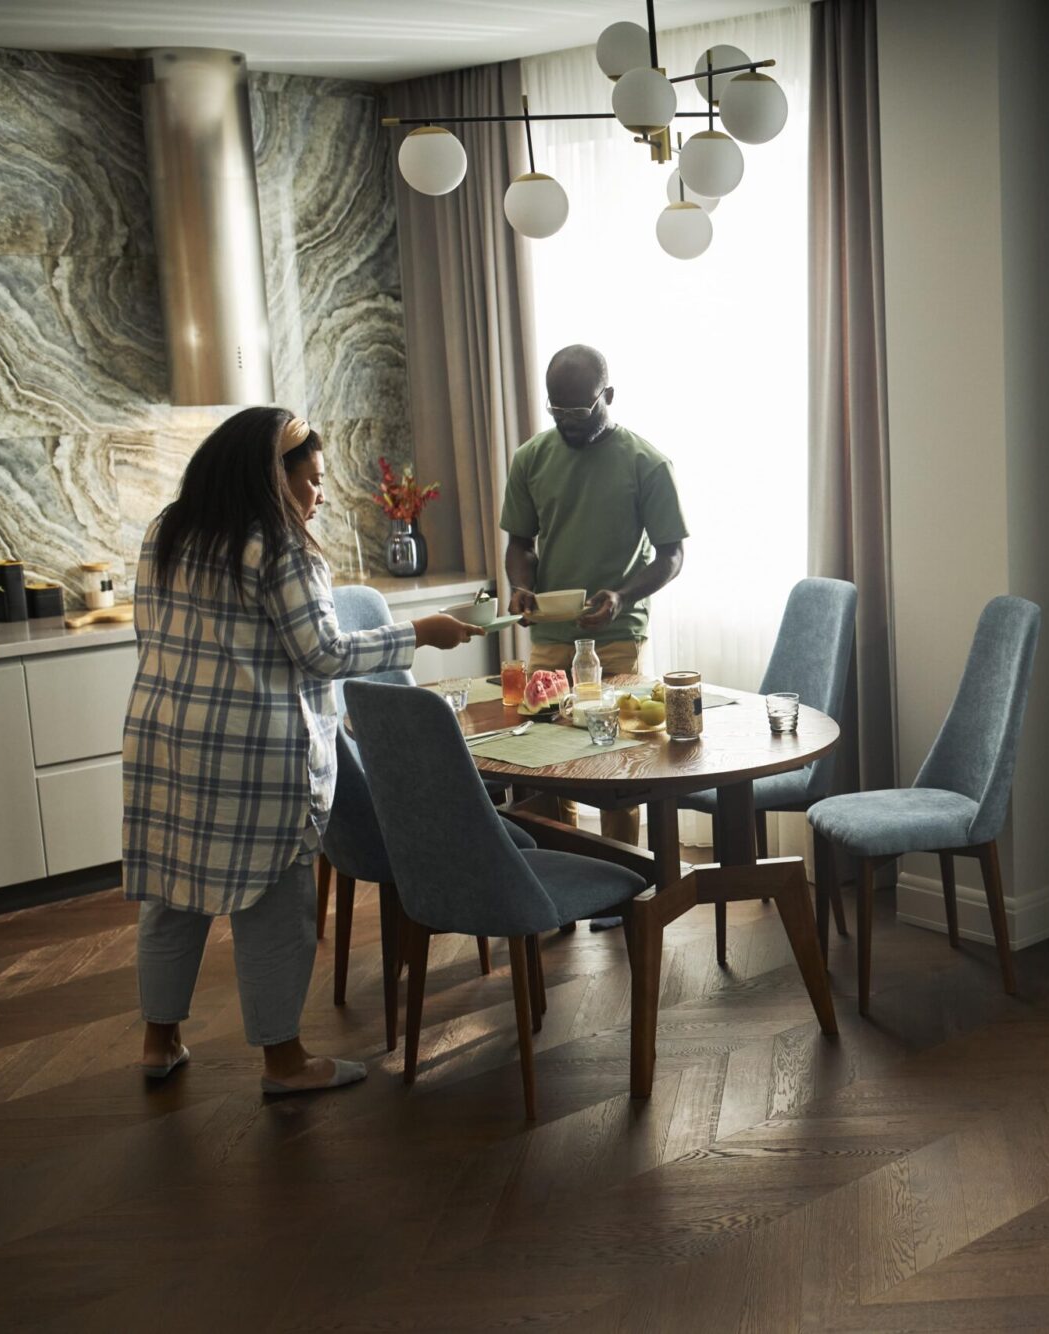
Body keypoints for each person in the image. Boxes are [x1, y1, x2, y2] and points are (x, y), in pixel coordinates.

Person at [126, 409, 484, 1094]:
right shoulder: (278, 543)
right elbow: (320, 652)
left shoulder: (167, 530)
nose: (319, 494)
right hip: (254, 755)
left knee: (173, 897)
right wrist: (418, 635)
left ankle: (158, 1040)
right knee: (274, 901)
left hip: (166, 741)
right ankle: (285, 1062)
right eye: (312, 480)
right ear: (273, 475)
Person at [502, 343, 688, 853]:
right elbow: (519, 544)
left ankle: (625, 877)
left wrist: (623, 596)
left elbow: (672, 556)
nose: (567, 421)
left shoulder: (647, 463)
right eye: (556, 411)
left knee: (617, 764)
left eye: (579, 410)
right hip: (550, 634)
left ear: (608, 394)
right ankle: (563, 876)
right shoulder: (530, 459)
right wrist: (520, 585)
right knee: (545, 764)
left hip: (617, 635)